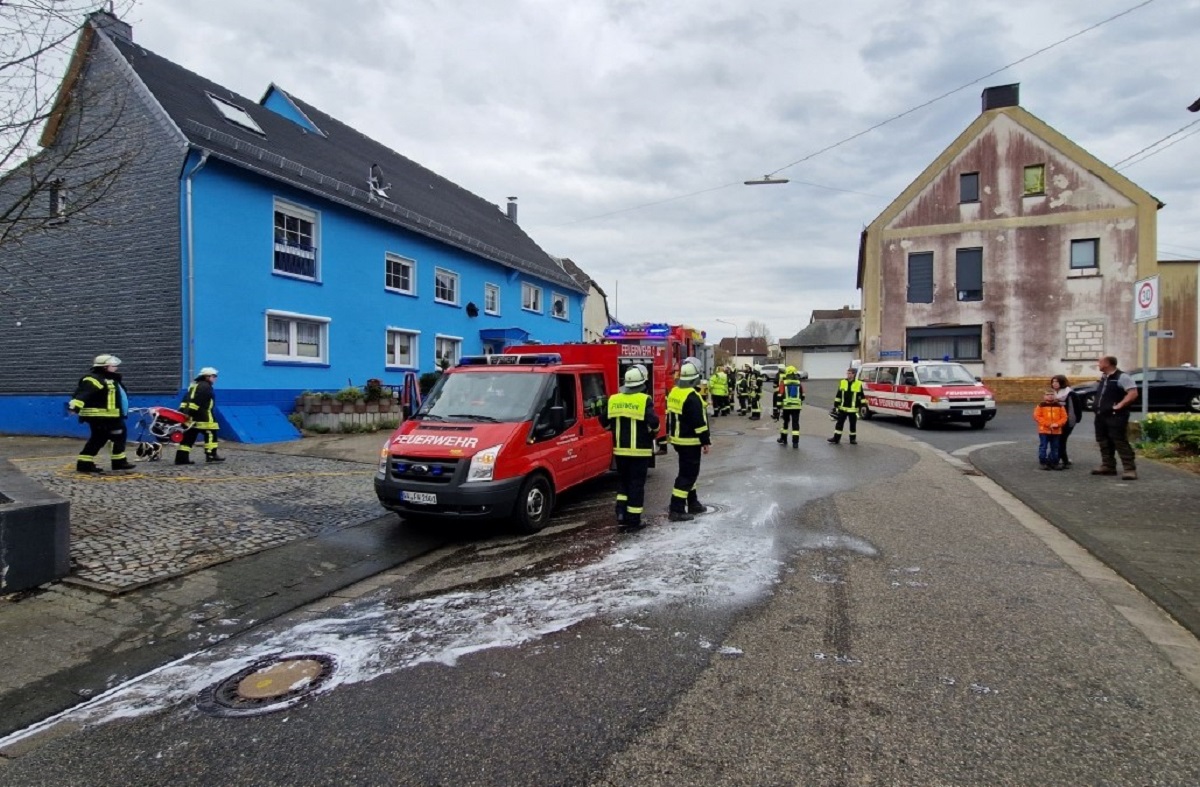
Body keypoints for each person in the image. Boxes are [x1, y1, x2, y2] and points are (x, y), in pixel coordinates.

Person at [607, 364, 659, 531]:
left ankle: (621, 514)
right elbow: (654, 423)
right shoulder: (644, 400)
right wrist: (653, 433)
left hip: (620, 452)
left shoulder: (614, 399)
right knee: (636, 485)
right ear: (641, 384)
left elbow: (603, 421)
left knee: (623, 483)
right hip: (639, 452)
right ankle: (634, 520)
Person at [67, 354, 134, 473]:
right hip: (100, 416)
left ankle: (88, 463)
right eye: (112, 365)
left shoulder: (110, 379)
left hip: (111, 416)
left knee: (107, 437)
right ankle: (113, 463)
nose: (116, 367)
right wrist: (74, 407)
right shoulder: (94, 379)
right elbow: (83, 393)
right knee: (107, 437)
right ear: (104, 367)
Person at [666, 359, 711, 522]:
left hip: (678, 440)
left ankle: (693, 502)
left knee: (687, 472)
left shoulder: (674, 392)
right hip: (690, 441)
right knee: (688, 475)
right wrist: (705, 441)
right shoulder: (693, 397)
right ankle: (676, 509)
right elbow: (699, 423)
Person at [1091, 355, 1138, 480]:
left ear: (1108, 363)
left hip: (1116, 416)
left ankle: (1129, 469)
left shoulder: (1122, 377)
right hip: (1101, 415)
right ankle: (1108, 466)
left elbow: (1133, 393)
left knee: (1119, 441)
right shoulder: (1105, 377)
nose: (1098, 364)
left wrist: (1121, 404)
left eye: (1100, 362)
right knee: (1103, 441)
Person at [176, 367, 224, 464]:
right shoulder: (205, 387)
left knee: (188, 437)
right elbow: (197, 401)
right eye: (214, 376)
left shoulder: (194, 386)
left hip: (190, 418)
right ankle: (211, 455)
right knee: (211, 434)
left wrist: (184, 413)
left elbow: (186, 401)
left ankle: (181, 458)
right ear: (207, 376)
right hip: (204, 417)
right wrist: (192, 412)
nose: (215, 378)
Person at [828, 366, 864, 445]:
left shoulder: (858, 383)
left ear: (854, 374)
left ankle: (852, 439)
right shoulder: (843, 382)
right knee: (839, 424)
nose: (848, 375)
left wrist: (862, 405)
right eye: (847, 373)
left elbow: (861, 396)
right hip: (842, 408)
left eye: (850, 373)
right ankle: (836, 438)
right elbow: (839, 394)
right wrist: (836, 405)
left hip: (853, 409)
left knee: (852, 425)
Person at [1033, 389, 1068, 470]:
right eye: (1048, 394)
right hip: (1044, 430)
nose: (1050, 396)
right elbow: (1037, 416)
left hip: (1056, 431)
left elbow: (1064, 417)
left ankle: (1054, 462)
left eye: (1052, 394)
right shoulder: (1041, 406)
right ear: (1044, 396)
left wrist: (1058, 424)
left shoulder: (1059, 406)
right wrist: (1048, 424)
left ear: (1054, 396)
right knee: (1043, 447)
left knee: (1055, 447)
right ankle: (1043, 462)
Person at [1050, 374, 1079, 469]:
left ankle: (1062, 460)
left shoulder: (1070, 393)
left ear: (1062, 383)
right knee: (1057, 440)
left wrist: (1072, 421)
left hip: (1068, 420)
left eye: (1057, 382)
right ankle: (1060, 459)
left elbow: (1075, 408)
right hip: (1055, 421)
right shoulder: (1053, 393)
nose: (1054, 384)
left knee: (1061, 440)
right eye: (1053, 382)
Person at [776, 366, 805, 447]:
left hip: (786, 407)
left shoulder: (784, 383)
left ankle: (783, 439)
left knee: (785, 423)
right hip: (797, 407)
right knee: (795, 424)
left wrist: (778, 407)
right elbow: (803, 396)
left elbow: (780, 395)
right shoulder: (799, 383)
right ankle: (795, 443)